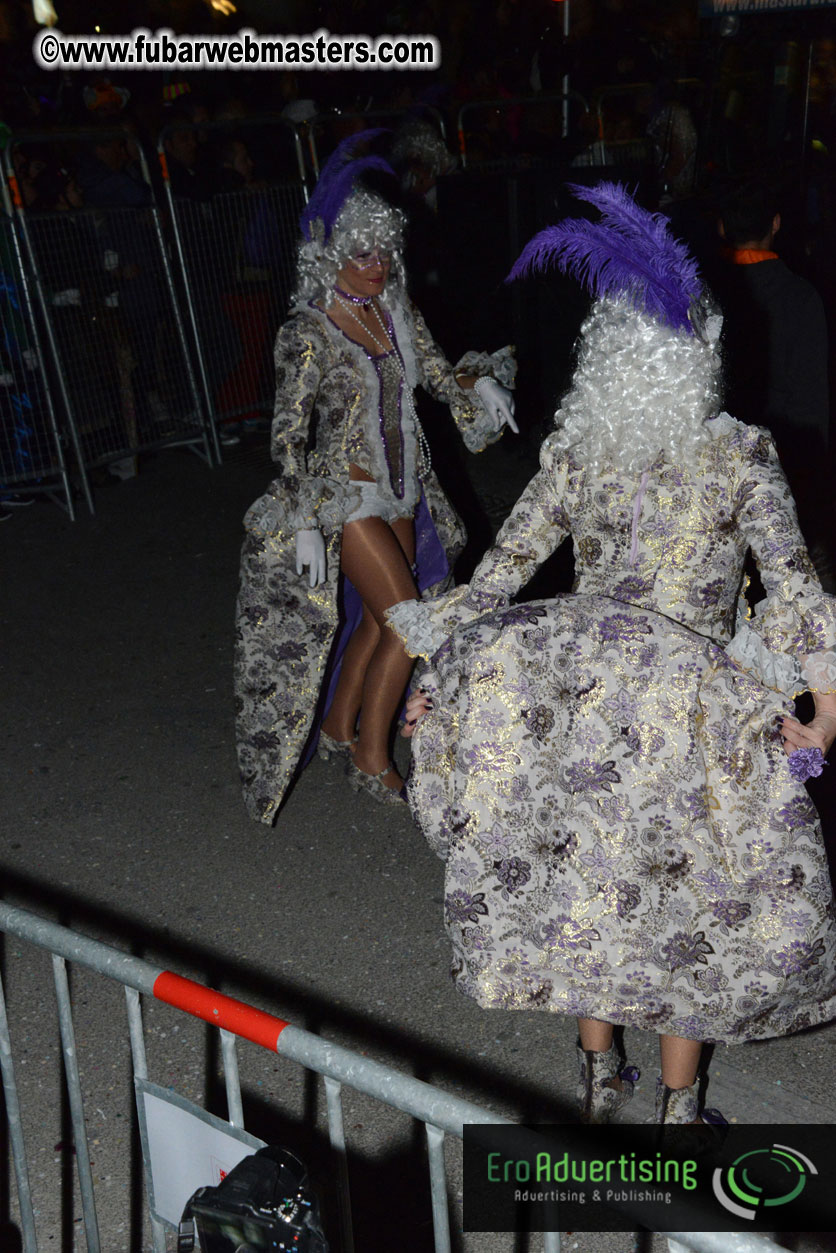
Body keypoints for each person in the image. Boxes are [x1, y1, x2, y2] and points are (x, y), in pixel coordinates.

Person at [394, 182, 836, 1125]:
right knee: (688, 900)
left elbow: (497, 575)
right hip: (695, 702)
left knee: (598, 878)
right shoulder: (740, 452)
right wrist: (824, 697)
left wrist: (440, 671)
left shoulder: (577, 453)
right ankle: (680, 1113)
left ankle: (599, 1088)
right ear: (699, 354)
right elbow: (793, 585)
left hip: (587, 690)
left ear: (607, 362)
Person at [234, 132, 517, 824]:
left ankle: (337, 726)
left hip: (402, 488)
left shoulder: (394, 309)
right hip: (345, 495)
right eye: (362, 252)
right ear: (331, 251)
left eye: (384, 249)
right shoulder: (308, 331)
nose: (377, 263)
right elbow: (287, 436)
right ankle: (370, 754)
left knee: (372, 625)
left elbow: (442, 374)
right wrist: (303, 517)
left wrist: (479, 388)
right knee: (406, 622)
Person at [716, 179, 831, 579]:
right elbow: (813, 397)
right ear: (776, 224)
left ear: (721, 228)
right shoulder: (800, 297)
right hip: (783, 463)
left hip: (719, 461)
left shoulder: (705, 293)